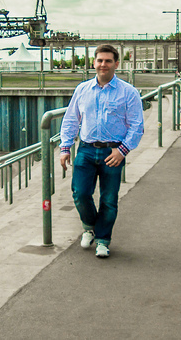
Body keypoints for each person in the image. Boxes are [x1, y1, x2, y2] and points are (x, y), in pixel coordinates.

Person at [59, 44, 144, 259]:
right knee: (80, 193)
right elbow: (71, 119)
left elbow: (137, 125)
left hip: (113, 152)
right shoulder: (82, 89)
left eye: (108, 61)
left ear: (116, 64)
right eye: (99, 60)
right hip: (86, 149)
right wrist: (65, 147)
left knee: (108, 199)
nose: (103, 64)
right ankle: (90, 226)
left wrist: (122, 150)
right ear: (94, 63)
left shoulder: (128, 92)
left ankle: (103, 240)